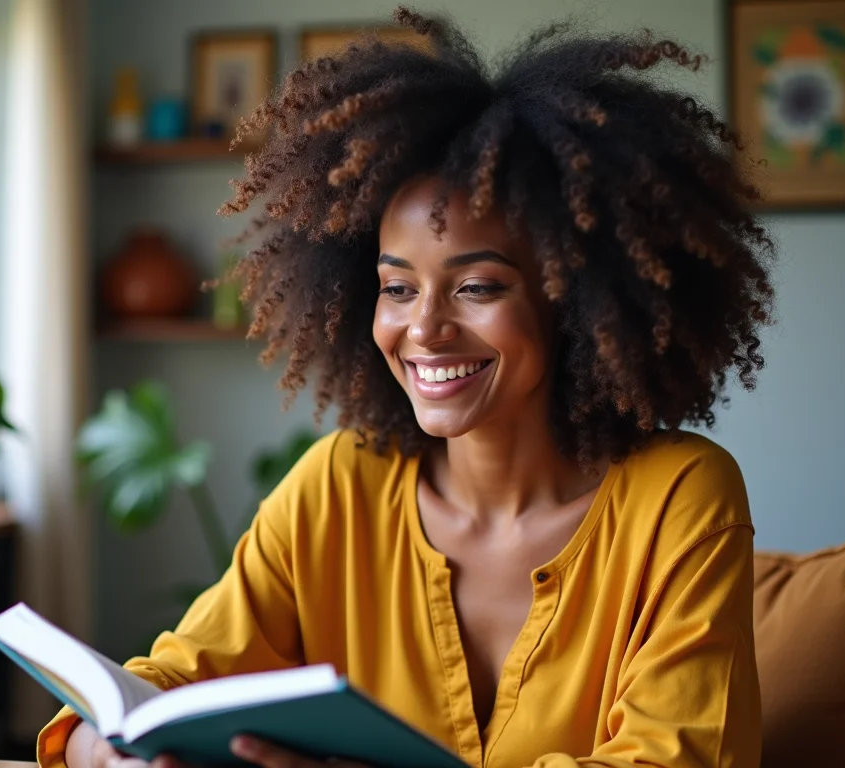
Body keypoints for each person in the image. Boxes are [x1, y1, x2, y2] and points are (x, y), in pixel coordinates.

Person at [44, 7, 774, 767]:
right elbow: (174, 679)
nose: (423, 328)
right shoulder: (337, 485)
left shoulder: (681, 499)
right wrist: (102, 744)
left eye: (478, 287)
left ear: (578, 299)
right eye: (397, 289)